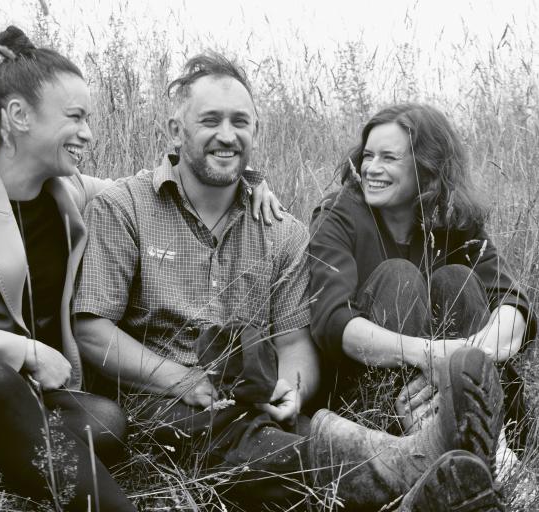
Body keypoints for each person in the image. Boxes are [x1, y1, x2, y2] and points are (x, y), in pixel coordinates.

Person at [72, 54, 506, 510]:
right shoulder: (124, 207)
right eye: (210, 120)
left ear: (255, 131)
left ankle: (422, 485)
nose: (227, 134)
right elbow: (91, 329)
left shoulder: (282, 231)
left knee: (302, 431)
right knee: (242, 437)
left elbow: (296, 341)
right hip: (157, 404)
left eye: (240, 121)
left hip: (252, 410)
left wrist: (291, 387)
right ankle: (408, 467)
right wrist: (180, 379)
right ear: (175, 131)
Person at [0, 26, 280, 511]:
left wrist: (248, 179)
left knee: (105, 421)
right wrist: (23, 351)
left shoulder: (72, 192)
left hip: (25, 396)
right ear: (19, 116)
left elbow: (165, 187)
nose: (88, 132)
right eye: (75, 117)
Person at [308, 103, 535, 471]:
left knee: (456, 279)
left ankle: (481, 441)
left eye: (389, 158)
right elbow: (332, 322)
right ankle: (415, 451)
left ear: (426, 168)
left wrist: (461, 361)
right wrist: (430, 354)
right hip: (371, 403)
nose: (371, 168)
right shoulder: (339, 213)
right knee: (399, 276)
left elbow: (515, 307)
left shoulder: (452, 217)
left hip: (448, 397)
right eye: (367, 156)